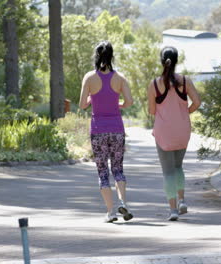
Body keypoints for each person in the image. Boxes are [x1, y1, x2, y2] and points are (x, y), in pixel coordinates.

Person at [79, 41, 134, 223]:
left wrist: (92, 98)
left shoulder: (89, 78)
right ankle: (123, 202)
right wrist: (115, 103)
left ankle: (111, 212)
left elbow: (82, 104)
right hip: (117, 129)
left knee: (103, 171)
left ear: (96, 56)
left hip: (98, 130)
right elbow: (128, 102)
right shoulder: (120, 77)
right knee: (118, 169)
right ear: (111, 56)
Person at [147, 46, 201, 221]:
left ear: (162, 61)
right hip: (182, 130)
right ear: (176, 61)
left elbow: (151, 111)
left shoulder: (155, 84)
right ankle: (182, 200)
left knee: (168, 172)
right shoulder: (185, 81)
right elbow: (197, 102)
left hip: (164, 132)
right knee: (178, 166)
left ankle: (173, 210)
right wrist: (184, 113)